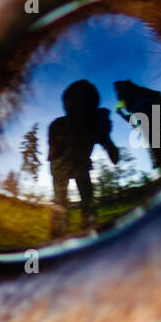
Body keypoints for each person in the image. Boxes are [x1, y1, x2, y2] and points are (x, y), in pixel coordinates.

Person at [48, 79, 119, 233]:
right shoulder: (58, 125)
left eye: (82, 108)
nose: (75, 114)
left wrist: (106, 136)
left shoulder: (95, 123)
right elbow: (52, 156)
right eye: (70, 107)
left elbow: (115, 158)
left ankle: (88, 227)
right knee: (60, 203)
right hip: (61, 167)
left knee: (87, 200)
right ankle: (59, 232)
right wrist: (70, 135)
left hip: (81, 166)